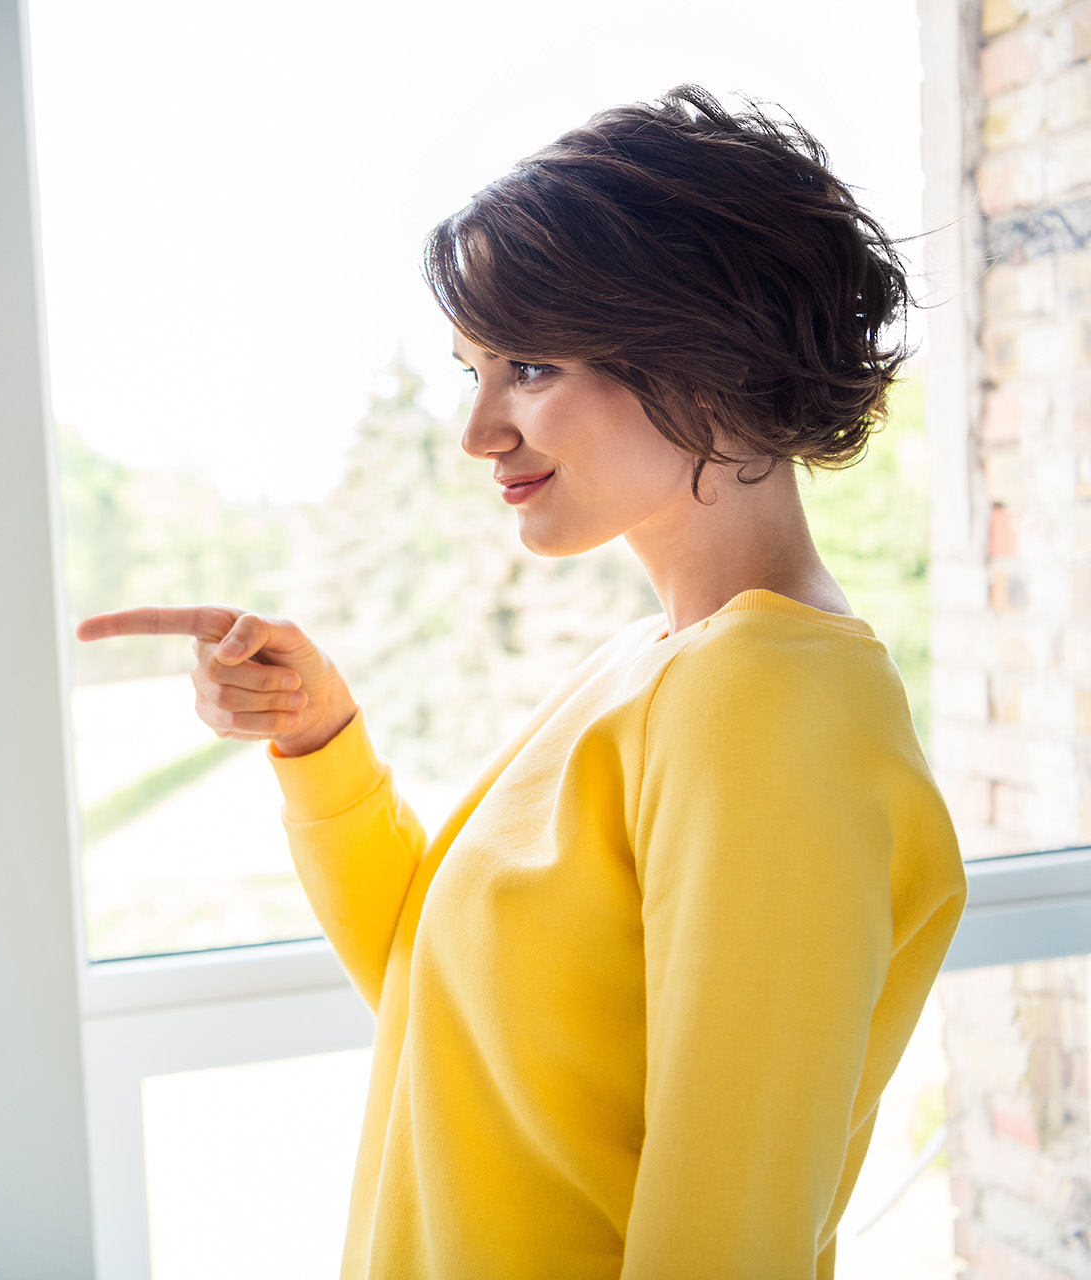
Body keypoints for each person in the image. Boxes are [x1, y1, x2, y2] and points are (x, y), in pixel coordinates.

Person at [79, 86, 967, 1278]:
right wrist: (320, 738)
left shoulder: (769, 704)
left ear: (707, 356)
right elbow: (429, 984)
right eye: (474, 370)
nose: (479, 429)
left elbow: (726, 1234)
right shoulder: (657, 664)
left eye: (532, 366)